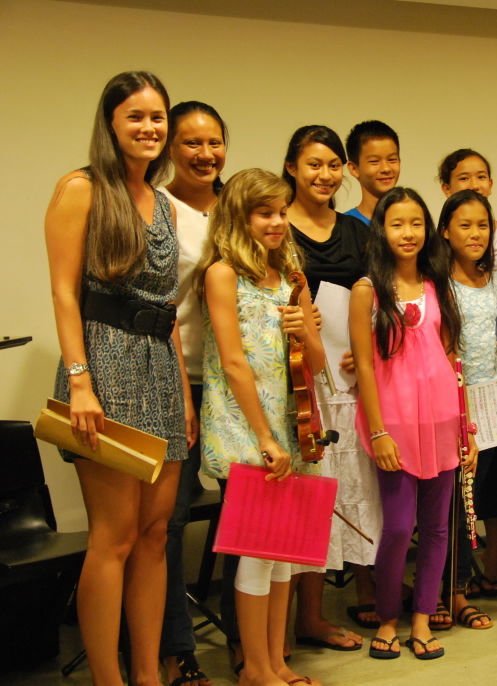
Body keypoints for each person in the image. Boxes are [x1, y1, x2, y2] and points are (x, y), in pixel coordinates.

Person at [45, 71, 193, 686]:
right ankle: (108, 678)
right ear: (111, 123)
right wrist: (80, 380)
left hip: (160, 366)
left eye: (157, 118)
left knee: (156, 533)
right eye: (136, 117)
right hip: (103, 365)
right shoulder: (80, 188)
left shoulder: (163, 203)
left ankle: (147, 673)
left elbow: (168, 309)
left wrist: (183, 392)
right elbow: (62, 292)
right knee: (114, 536)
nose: (149, 128)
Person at [196, 168, 324, 686]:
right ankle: (254, 668)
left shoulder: (292, 272)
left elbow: (316, 362)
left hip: (293, 423)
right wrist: (265, 437)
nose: (277, 222)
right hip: (247, 430)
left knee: (284, 553)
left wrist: (305, 330)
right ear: (239, 216)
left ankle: (276, 659)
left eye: (281, 211)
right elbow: (232, 362)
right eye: (264, 212)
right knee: (254, 551)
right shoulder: (223, 274)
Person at [350, 187, 466, 659]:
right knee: (398, 526)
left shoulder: (440, 286)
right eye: (397, 223)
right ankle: (388, 618)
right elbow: (362, 366)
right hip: (393, 426)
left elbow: (452, 360)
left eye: (416, 223)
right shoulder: (367, 290)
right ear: (381, 230)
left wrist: (466, 428)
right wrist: (377, 431)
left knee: (437, 528)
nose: (408, 233)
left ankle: (422, 619)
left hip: (442, 421)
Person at [282, 124, 377, 653]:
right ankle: (297, 617)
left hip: (350, 379)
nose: (324, 174)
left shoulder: (357, 231)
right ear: (292, 167)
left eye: (333, 164)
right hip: (296, 379)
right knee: (308, 496)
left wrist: (366, 350)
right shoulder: (277, 226)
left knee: (347, 492)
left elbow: (376, 294)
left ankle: (316, 616)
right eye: (313, 164)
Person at [436, 189, 497, 628]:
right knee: (453, 506)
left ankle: (464, 586)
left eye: (482, 225)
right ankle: (447, 593)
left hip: (494, 405)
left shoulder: (496, 281)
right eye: (464, 225)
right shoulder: (436, 282)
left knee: (482, 500)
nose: (475, 234)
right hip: (453, 404)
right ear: (445, 231)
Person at [157, 99, 228, 686]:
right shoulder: (157, 209)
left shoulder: (238, 209)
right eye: (192, 143)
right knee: (171, 522)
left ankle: (250, 641)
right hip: (172, 378)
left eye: (214, 142)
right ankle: (177, 649)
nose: (206, 154)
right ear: (169, 149)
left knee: (250, 513)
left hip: (234, 381)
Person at [438, 148, 497, 278]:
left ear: (490, 184)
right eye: (464, 178)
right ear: (447, 188)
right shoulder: (434, 237)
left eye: (481, 177)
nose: (474, 185)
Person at [343, 120, 400, 226]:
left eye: (392, 159)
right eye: (374, 161)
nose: (386, 168)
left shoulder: (412, 225)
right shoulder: (345, 227)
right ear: (354, 169)